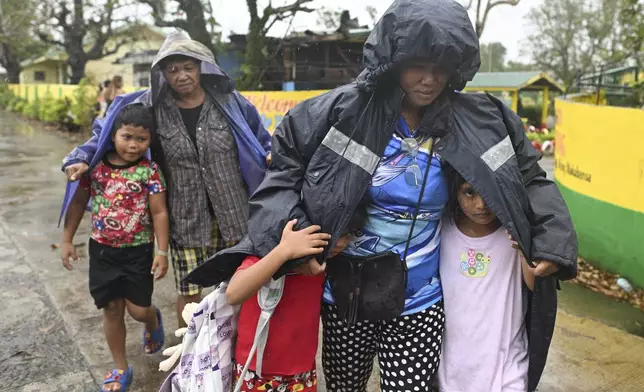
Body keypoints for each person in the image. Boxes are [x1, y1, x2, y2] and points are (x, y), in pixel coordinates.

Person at [244, 0, 578, 391]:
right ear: (393, 60)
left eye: (442, 67)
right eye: (419, 64)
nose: (430, 79)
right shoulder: (338, 112)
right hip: (346, 297)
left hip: (421, 301)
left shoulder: (483, 120)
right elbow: (282, 175)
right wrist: (302, 240)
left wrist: (553, 241)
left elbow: (530, 178)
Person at [60, 30, 272, 328]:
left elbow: (261, 139)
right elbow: (108, 130)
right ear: (163, 74)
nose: (182, 75)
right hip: (186, 218)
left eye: (188, 67)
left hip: (235, 215)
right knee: (189, 293)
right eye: (173, 69)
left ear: (201, 67)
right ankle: (191, 357)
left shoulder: (230, 102)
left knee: (237, 288)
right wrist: (80, 158)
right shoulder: (152, 108)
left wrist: (270, 154)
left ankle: (231, 354)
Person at [61, 105, 169, 392]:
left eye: (141, 139)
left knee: (137, 310)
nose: (133, 145)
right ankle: (121, 368)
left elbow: (159, 213)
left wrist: (161, 252)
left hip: (138, 252)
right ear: (113, 135)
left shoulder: (150, 172)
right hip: (102, 252)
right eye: (127, 136)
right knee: (111, 308)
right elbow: (77, 202)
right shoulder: (94, 167)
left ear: (150, 141)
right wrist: (67, 239)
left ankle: (152, 318)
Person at [226, 199, 369, 392]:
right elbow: (234, 293)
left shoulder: (323, 263)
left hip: (301, 371)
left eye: (350, 235)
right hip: (257, 371)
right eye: (337, 233)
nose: (342, 242)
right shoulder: (267, 248)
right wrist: (283, 252)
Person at [438, 164, 535, 392]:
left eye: (489, 191)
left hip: (506, 369)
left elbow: (536, 287)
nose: (481, 204)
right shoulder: (442, 229)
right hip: (451, 371)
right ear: (455, 191)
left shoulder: (513, 235)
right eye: (469, 192)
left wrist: (524, 251)